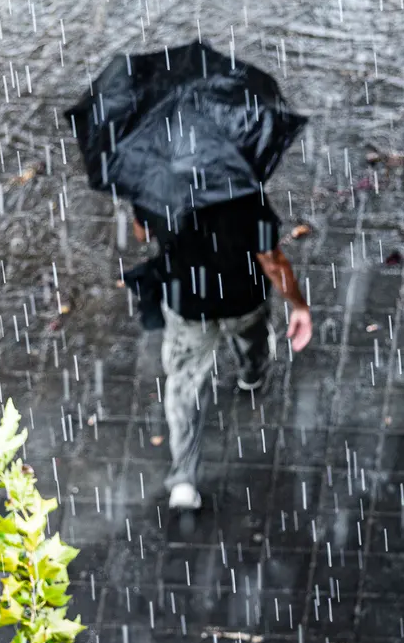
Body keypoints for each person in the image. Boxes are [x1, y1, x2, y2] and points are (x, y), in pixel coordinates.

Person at [132, 191, 312, 510]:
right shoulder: (241, 192)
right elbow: (271, 259)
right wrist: (298, 304)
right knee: (252, 340)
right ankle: (252, 375)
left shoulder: (154, 185)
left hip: (186, 302)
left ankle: (184, 481)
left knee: (185, 385)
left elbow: (141, 232)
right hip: (243, 297)